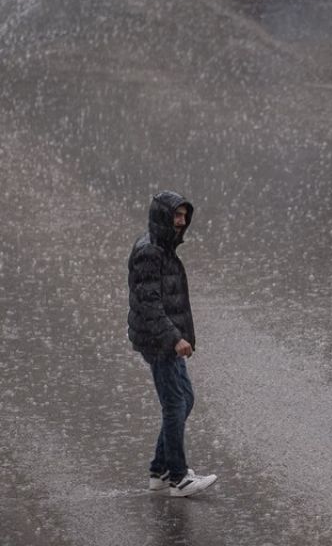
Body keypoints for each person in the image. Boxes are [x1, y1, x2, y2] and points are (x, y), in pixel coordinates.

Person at [127, 191, 217, 496]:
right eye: (176, 216)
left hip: (162, 337)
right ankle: (178, 478)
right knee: (175, 404)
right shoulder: (150, 252)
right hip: (159, 341)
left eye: (183, 216)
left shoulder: (161, 247)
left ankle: (160, 470)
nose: (181, 222)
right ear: (163, 217)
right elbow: (150, 304)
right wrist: (175, 337)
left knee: (184, 399)